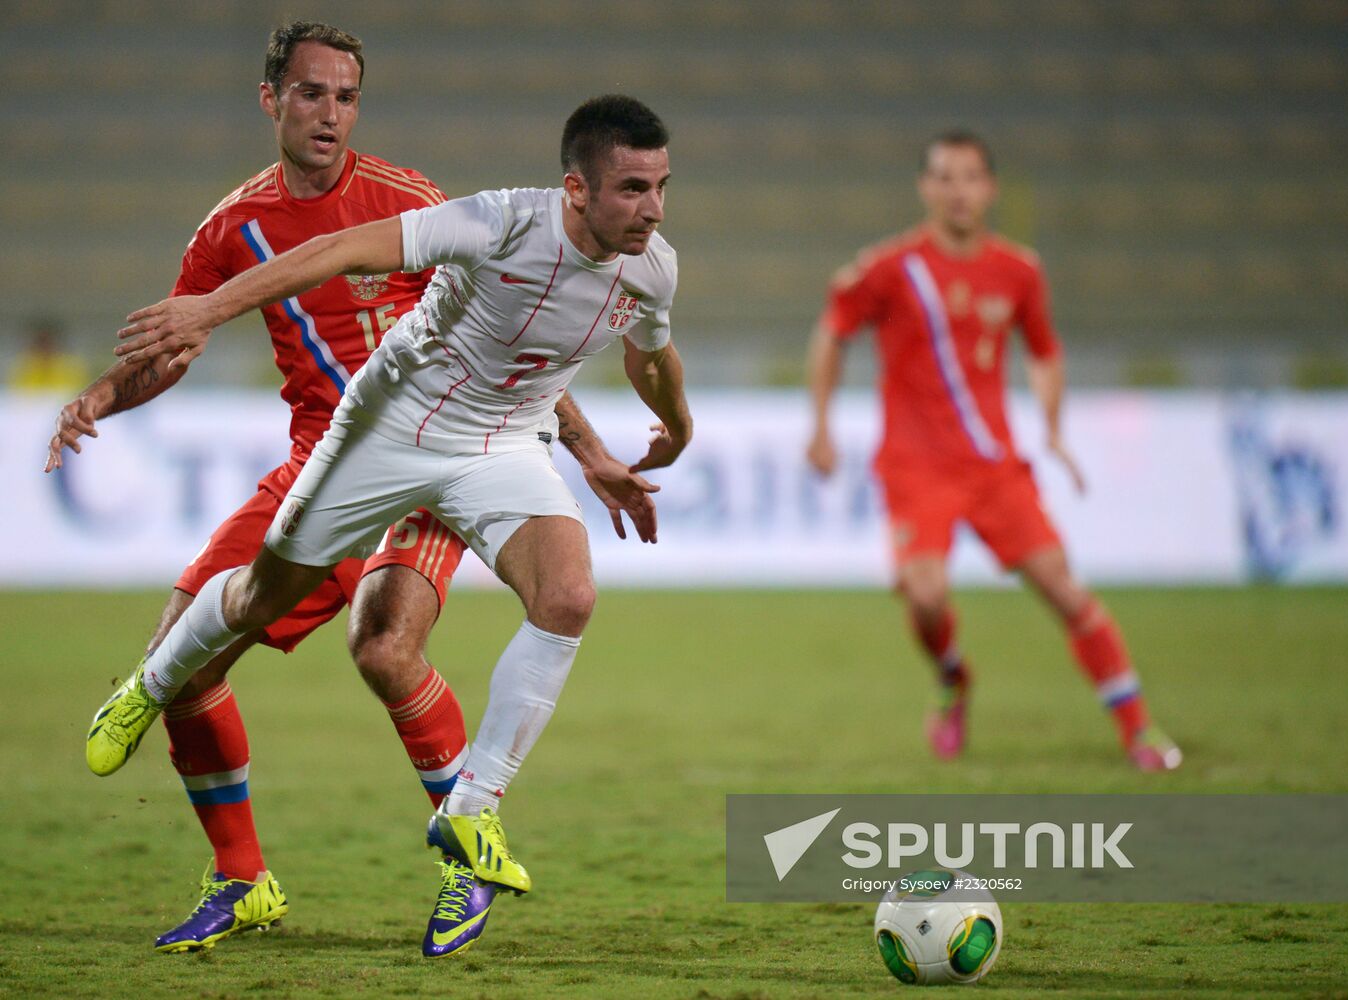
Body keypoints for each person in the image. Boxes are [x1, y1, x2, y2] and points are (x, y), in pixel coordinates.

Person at [52, 24, 657, 958]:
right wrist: (100, 393)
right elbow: (176, 343)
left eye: (347, 97)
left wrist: (585, 447)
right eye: (312, 94)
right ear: (272, 101)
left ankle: (465, 856)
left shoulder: (409, 202)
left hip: (441, 452)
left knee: (383, 647)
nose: (331, 113)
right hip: (325, 455)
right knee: (182, 656)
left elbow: (520, 337)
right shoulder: (232, 228)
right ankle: (243, 880)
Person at [806, 129, 1180, 772]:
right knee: (924, 597)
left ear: (991, 188)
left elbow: (1044, 352)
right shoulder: (894, 268)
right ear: (925, 188)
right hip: (916, 468)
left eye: (971, 177)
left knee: (1066, 592)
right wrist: (820, 423)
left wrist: (1056, 427)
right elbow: (832, 330)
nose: (958, 191)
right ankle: (954, 680)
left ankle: (1139, 729)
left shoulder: (1019, 270)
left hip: (995, 469)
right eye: (945, 177)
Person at [9, 318, 88, 394]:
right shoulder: (24, 365)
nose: (45, 346)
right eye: (41, 342)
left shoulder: (71, 366)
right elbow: (18, 393)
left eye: (48, 341)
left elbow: (75, 392)